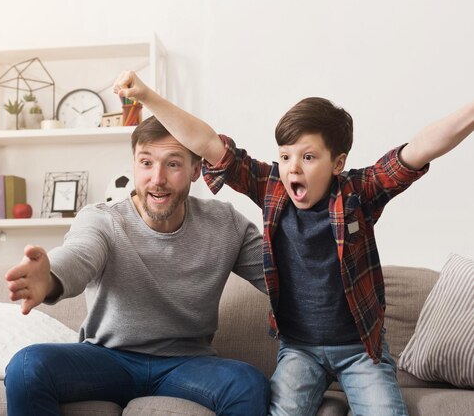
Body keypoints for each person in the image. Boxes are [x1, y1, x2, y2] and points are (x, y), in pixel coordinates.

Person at [113, 70, 473, 416]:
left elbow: (418, 151)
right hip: (300, 350)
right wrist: (146, 95)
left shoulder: (358, 194)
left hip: (360, 350)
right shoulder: (271, 188)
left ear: (338, 163)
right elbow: (207, 142)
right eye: (285, 156)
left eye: (308, 157)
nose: (293, 169)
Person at [4, 115, 271, 416]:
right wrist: (51, 276)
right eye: (146, 163)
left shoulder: (224, 224)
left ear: (196, 170)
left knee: (248, 383)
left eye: (173, 164)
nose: (157, 178)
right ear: (133, 164)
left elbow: (278, 277)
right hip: (107, 359)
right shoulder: (103, 219)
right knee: (27, 366)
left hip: (187, 363)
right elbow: (80, 254)